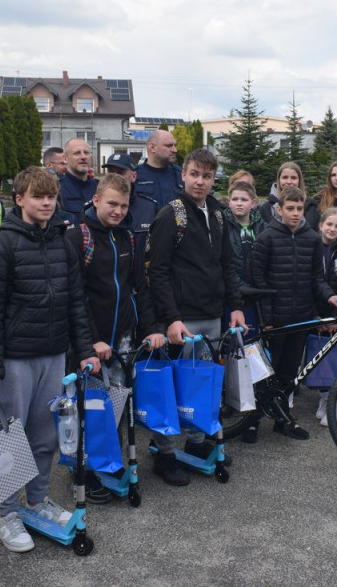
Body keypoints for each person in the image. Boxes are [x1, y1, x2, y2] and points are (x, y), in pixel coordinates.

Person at [0, 166, 100, 552]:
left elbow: (75, 303)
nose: (46, 202)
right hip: (15, 360)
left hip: (53, 354)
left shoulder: (64, 243)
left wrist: (83, 351)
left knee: (45, 436)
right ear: (20, 200)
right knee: (9, 439)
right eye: (38, 196)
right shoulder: (1, 248)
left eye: (51, 197)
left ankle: (38, 498)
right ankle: (7, 513)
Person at [145, 148, 246, 486]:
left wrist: (235, 305)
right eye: (194, 174)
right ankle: (165, 454)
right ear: (183, 175)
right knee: (173, 389)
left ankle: (198, 444)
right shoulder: (170, 215)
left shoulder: (217, 214)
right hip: (182, 319)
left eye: (206, 175)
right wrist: (171, 319)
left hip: (212, 315)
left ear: (213, 178)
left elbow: (227, 265)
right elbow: (156, 272)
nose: (200, 181)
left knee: (203, 388)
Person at [66, 174, 165, 501]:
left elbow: (141, 287)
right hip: (90, 343)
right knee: (87, 409)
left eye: (123, 205)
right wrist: (91, 341)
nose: (118, 211)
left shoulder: (128, 238)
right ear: (96, 200)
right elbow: (75, 295)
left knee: (117, 406)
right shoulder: (78, 237)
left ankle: (108, 462)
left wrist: (151, 328)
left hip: (123, 340)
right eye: (112, 204)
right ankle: (83, 471)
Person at [251, 186, 337, 441]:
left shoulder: (312, 238)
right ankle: (253, 422)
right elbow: (258, 282)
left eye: (299, 209)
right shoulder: (266, 238)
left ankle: (283, 420)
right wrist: (266, 319)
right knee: (266, 374)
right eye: (289, 208)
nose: (295, 213)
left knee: (289, 373)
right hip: (274, 320)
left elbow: (317, 278)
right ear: (279, 209)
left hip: (300, 318)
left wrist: (330, 297)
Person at [313, 208, 337, 427]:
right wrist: (314, 314)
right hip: (315, 311)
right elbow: (310, 282)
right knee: (316, 358)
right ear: (320, 225)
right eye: (329, 224)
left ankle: (331, 402)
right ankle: (321, 399)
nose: (332, 229)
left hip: (336, 313)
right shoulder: (312, 247)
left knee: (334, 359)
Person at [99, 152, 159, 267]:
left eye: (121, 172)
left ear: (133, 176)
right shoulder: (97, 207)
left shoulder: (150, 208)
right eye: (111, 172)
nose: (115, 177)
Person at [223, 180, 266, 287]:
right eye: (235, 199)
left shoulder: (264, 228)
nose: (239, 203)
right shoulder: (221, 226)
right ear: (229, 202)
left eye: (244, 199)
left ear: (253, 203)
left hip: (259, 288)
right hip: (232, 289)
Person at [258, 161, 319, 228]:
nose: (289, 182)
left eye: (293, 178)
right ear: (279, 180)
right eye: (285, 177)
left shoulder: (311, 208)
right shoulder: (266, 209)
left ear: (299, 180)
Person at [135, 129, 183, 208]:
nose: (175, 150)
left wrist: (180, 220)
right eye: (169, 146)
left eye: (175, 145)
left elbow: (183, 208)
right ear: (152, 147)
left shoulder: (181, 175)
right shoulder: (135, 176)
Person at [58, 138, 98, 224]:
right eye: (77, 153)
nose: (83, 157)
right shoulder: (56, 190)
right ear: (65, 158)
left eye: (86, 153)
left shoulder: (101, 188)